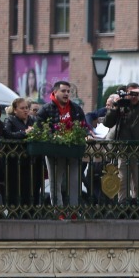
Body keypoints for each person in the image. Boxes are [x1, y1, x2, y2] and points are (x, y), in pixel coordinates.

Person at [34, 79, 88, 207]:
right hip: (54, 151)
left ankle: (74, 210)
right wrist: (53, 137)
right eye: (63, 91)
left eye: (68, 91)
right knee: (55, 182)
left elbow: (84, 126)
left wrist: (85, 135)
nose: (66, 94)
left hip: (73, 150)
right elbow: (39, 129)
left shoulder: (75, 108)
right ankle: (58, 211)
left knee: (74, 181)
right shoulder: (46, 109)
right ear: (55, 92)